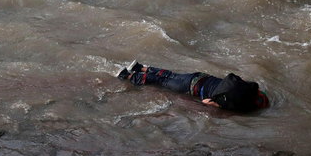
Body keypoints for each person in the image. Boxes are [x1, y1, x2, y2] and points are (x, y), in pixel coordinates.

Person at [116, 60, 270, 112]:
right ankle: (128, 75)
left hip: (200, 76)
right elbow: (206, 103)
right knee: (161, 82)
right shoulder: (233, 103)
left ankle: (140, 67)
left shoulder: (244, 87)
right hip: (191, 87)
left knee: (170, 74)